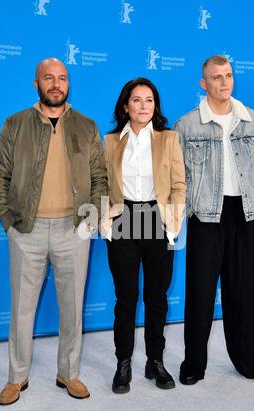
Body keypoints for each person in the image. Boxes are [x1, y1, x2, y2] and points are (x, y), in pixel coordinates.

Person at [0, 58, 107, 405]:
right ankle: (16, 377)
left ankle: (68, 373)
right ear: (36, 83)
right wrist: (9, 222)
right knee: (22, 308)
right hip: (27, 230)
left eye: (62, 78)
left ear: (68, 83)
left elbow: (100, 176)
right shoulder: (16, 124)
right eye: (48, 78)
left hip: (74, 230)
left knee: (72, 307)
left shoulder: (86, 126)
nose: (56, 84)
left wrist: (92, 220)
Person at [174, 55, 254, 385]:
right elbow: (180, 175)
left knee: (245, 291)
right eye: (216, 77)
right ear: (203, 84)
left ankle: (249, 360)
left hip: (244, 214)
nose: (224, 82)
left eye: (228, 75)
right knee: (200, 292)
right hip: (206, 216)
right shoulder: (187, 125)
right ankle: (194, 363)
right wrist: (191, 206)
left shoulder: (253, 121)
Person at [102, 77, 186, 393]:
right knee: (125, 298)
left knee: (156, 297)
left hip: (157, 218)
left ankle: (155, 361)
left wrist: (173, 225)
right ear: (126, 106)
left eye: (149, 100)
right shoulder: (110, 142)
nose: (143, 106)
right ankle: (123, 363)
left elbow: (179, 184)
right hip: (123, 219)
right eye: (137, 100)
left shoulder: (168, 139)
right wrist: (105, 223)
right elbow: (99, 183)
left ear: (155, 106)